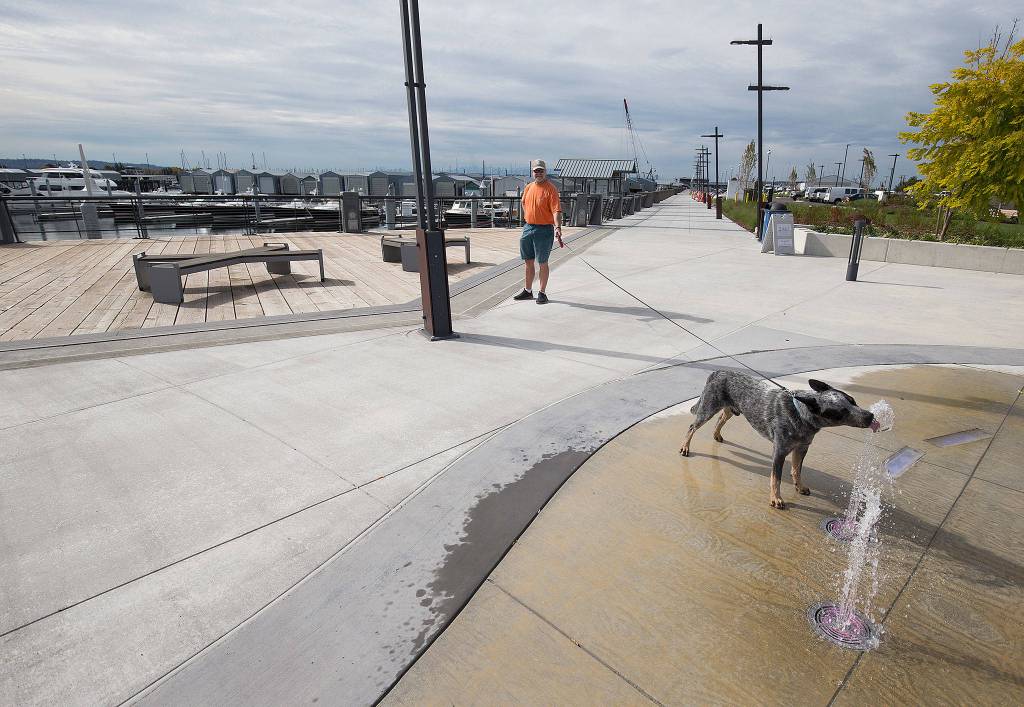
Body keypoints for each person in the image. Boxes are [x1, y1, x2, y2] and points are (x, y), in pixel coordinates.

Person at [512, 159, 562, 304]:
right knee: (528, 261)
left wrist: (558, 227)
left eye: (541, 170)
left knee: (542, 262)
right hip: (528, 227)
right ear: (532, 172)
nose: (538, 173)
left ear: (545, 171)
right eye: (536, 171)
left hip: (544, 229)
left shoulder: (551, 188)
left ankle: (542, 292)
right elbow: (523, 202)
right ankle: (528, 291)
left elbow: (556, 210)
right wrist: (529, 216)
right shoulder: (528, 187)